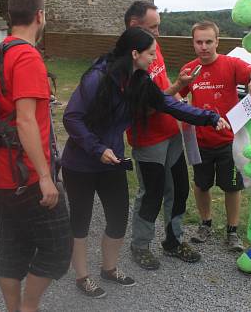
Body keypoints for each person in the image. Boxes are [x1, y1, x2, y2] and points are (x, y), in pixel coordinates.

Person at [62, 27, 229, 298]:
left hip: (112, 160)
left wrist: (208, 117)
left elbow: (168, 104)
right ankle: (82, 277)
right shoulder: (97, 79)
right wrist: (96, 148)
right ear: (135, 53)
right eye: (151, 53)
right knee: (80, 221)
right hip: (81, 163)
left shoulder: (138, 79)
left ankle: (109, 268)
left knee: (118, 219)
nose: (155, 58)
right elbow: (71, 118)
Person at [0, 0, 72, 312]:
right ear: (40, 16)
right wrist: (46, 178)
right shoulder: (27, 55)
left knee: (13, 246)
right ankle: (28, 308)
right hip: (26, 174)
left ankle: (13, 309)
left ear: (9, 17)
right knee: (59, 250)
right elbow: (25, 122)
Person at [124, 1, 200, 270]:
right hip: (148, 140)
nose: (158, 32)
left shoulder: (154, 48)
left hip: (171, 132)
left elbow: (163, 85)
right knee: (152, 193)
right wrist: (177, 88)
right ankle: (140, 245)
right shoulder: (127, 64)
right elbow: (147, 103)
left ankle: (173, 241)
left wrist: (180, 97)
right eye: (153, 27)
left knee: (179, 188)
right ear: (135, 25)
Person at [179, 21, 251, 251]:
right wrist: (178, 99)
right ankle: (205, 223)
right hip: (201, 141)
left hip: (229, 142)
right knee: (201, 185)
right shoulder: (190, 69)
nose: (204, 46)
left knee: (232, 187)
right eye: (199, 42)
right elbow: (177, 93)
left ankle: (232, 231)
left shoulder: (230, 64)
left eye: (208, 41)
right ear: (193, 43)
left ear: (217, 41)